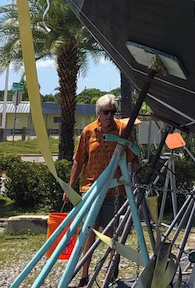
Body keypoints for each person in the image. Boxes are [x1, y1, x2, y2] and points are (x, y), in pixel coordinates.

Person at [65, 94, 139, 287]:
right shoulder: (88, 132)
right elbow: (79, 160)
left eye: (113, 112)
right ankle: (84, 274)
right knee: (89, 231)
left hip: (115, 191)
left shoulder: (122, 130)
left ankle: (111, 271)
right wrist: (70, 187)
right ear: (98, 112)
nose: (110, 116)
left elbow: (132, 157)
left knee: (112, 234)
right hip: (91, 190)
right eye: (106, 112)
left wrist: (133, 181)